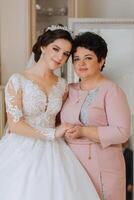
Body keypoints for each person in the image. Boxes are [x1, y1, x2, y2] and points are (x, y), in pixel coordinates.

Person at [0, 26, 100, 200]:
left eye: (66, 54)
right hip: (20, 148)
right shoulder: (18, 80)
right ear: (43, 46)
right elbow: (15, 125)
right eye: (56, 49)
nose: (60, 57)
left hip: (54, 151)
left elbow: (59, 119)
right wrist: (53, 133)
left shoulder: (62, 85)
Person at [61, 31, 131, 200]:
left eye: (88, 58)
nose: (81, 63)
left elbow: (122, 132)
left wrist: (83, 131)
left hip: (103, 167)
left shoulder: (112, 90)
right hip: (72, 166)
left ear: (102, 60)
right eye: (76, 59)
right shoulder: (67, 89)